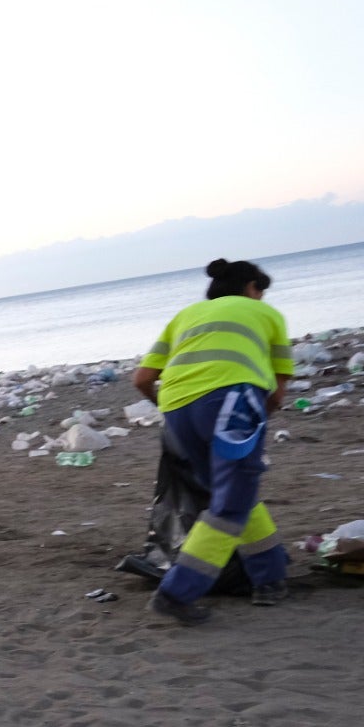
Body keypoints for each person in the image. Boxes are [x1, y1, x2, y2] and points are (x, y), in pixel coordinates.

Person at [132, 258, 294, 625]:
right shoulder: (265, 314)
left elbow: (141, 379)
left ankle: (270, 578)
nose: (262, 298)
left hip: (176, 407)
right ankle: (176, 593)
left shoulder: (186, 316)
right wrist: (259, 417)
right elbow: (279, 391)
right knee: (231, 503)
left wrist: (172, 408)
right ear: (253, 288)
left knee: (235, 494)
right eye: (261, 291)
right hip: (232, 401)